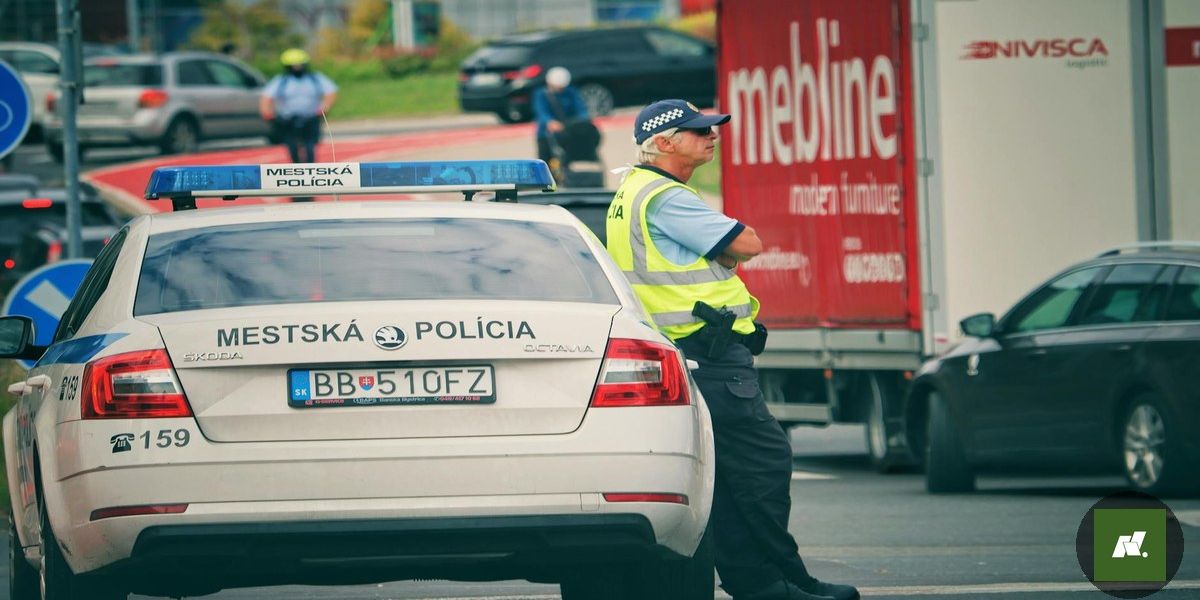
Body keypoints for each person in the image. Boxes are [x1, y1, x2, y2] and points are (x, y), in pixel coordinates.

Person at [605, 99, 861, 600]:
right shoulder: (666, 198)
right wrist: (726, 243)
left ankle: (764, 582)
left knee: (726, 478)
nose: (711, 136)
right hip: (712, 357)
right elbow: (747, 243)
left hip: (685, 355)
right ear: (663, 143)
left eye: (711, 128)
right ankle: (782, 581)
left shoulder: (632, 190)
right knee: (763, 466)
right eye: (697, 131)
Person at [259, 48, 337, 164]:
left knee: (310, 146)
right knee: (292, 146)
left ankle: (311, 168)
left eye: (299, 65)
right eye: (294, 65)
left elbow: (331, 92)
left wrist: (325, 107)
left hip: (311, 117)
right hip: (288, 119)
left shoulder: (315, 78)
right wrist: (267, 112)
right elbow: (266, 97)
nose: (297, 68)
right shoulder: (281, 81)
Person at [531, 66, 588, 165]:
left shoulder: (571, 92)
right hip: (546, 135)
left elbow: (581, 109)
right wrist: (550, 122)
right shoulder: (541, 94)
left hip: (568, 132)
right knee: (545, 163)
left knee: (568, 162)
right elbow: (541, 111)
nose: (560, 89)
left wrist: (581, 121)